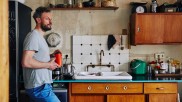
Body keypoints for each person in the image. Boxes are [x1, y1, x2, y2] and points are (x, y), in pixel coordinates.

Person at [21, 6, 60, 102]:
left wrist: (51, 56)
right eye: (47, 19)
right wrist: (49, 65)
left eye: (50, 19)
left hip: (41, 85)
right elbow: (26, 62)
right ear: (38, 20)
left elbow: (36, 57)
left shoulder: (40, 37)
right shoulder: (33, 36)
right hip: (38, 87)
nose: (50, 22)